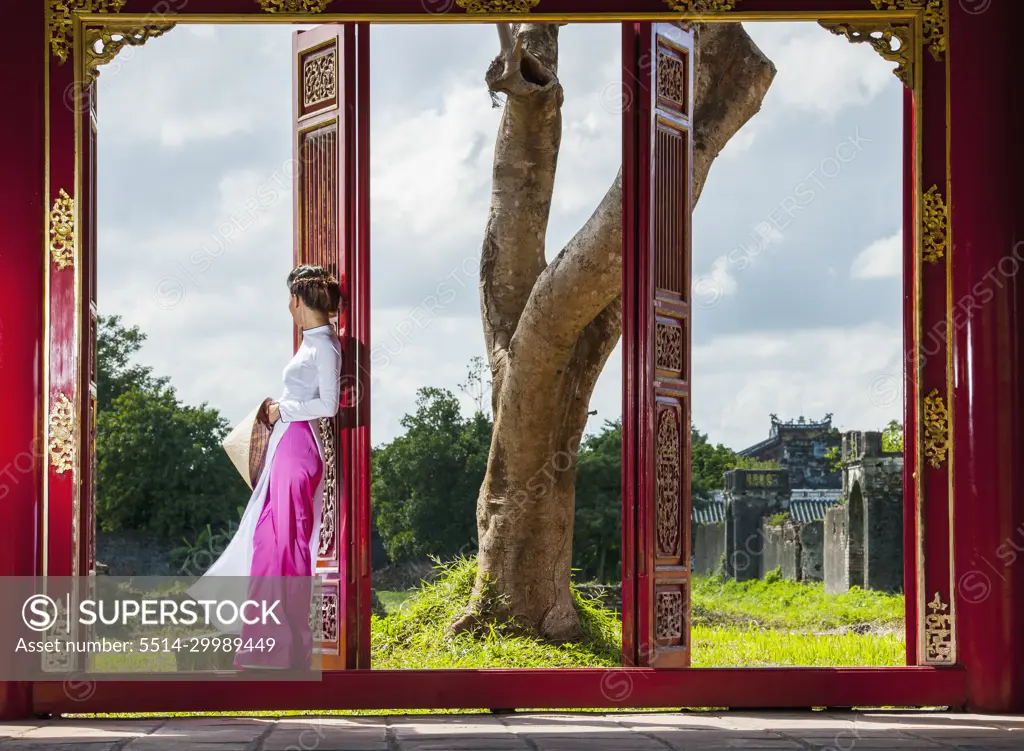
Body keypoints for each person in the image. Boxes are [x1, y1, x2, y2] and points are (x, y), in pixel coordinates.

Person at [187, 265, 343, 671]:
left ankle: (284, 649)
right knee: (268, 542)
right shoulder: (314, 342)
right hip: (286, 444)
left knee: (287, 545)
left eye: (289, 298)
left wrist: (278, 410)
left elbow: (328, 405)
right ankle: (266, 646)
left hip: (297, 446)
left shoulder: (324, 345)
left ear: (296, 300)